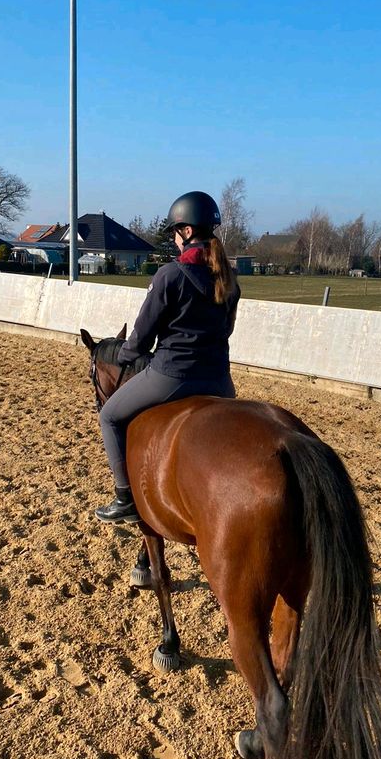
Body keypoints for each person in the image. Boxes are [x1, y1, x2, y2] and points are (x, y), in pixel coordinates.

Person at [95, 191, 241, 522]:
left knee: (110, 417)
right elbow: (227, 331)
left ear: (186, 231)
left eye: (175, 232)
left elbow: (142, 337)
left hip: (172, 375)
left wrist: (126, 355)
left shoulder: (170, 275)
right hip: (220, 381)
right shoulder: (230, 280)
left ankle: (125, 499)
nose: (174, 240)